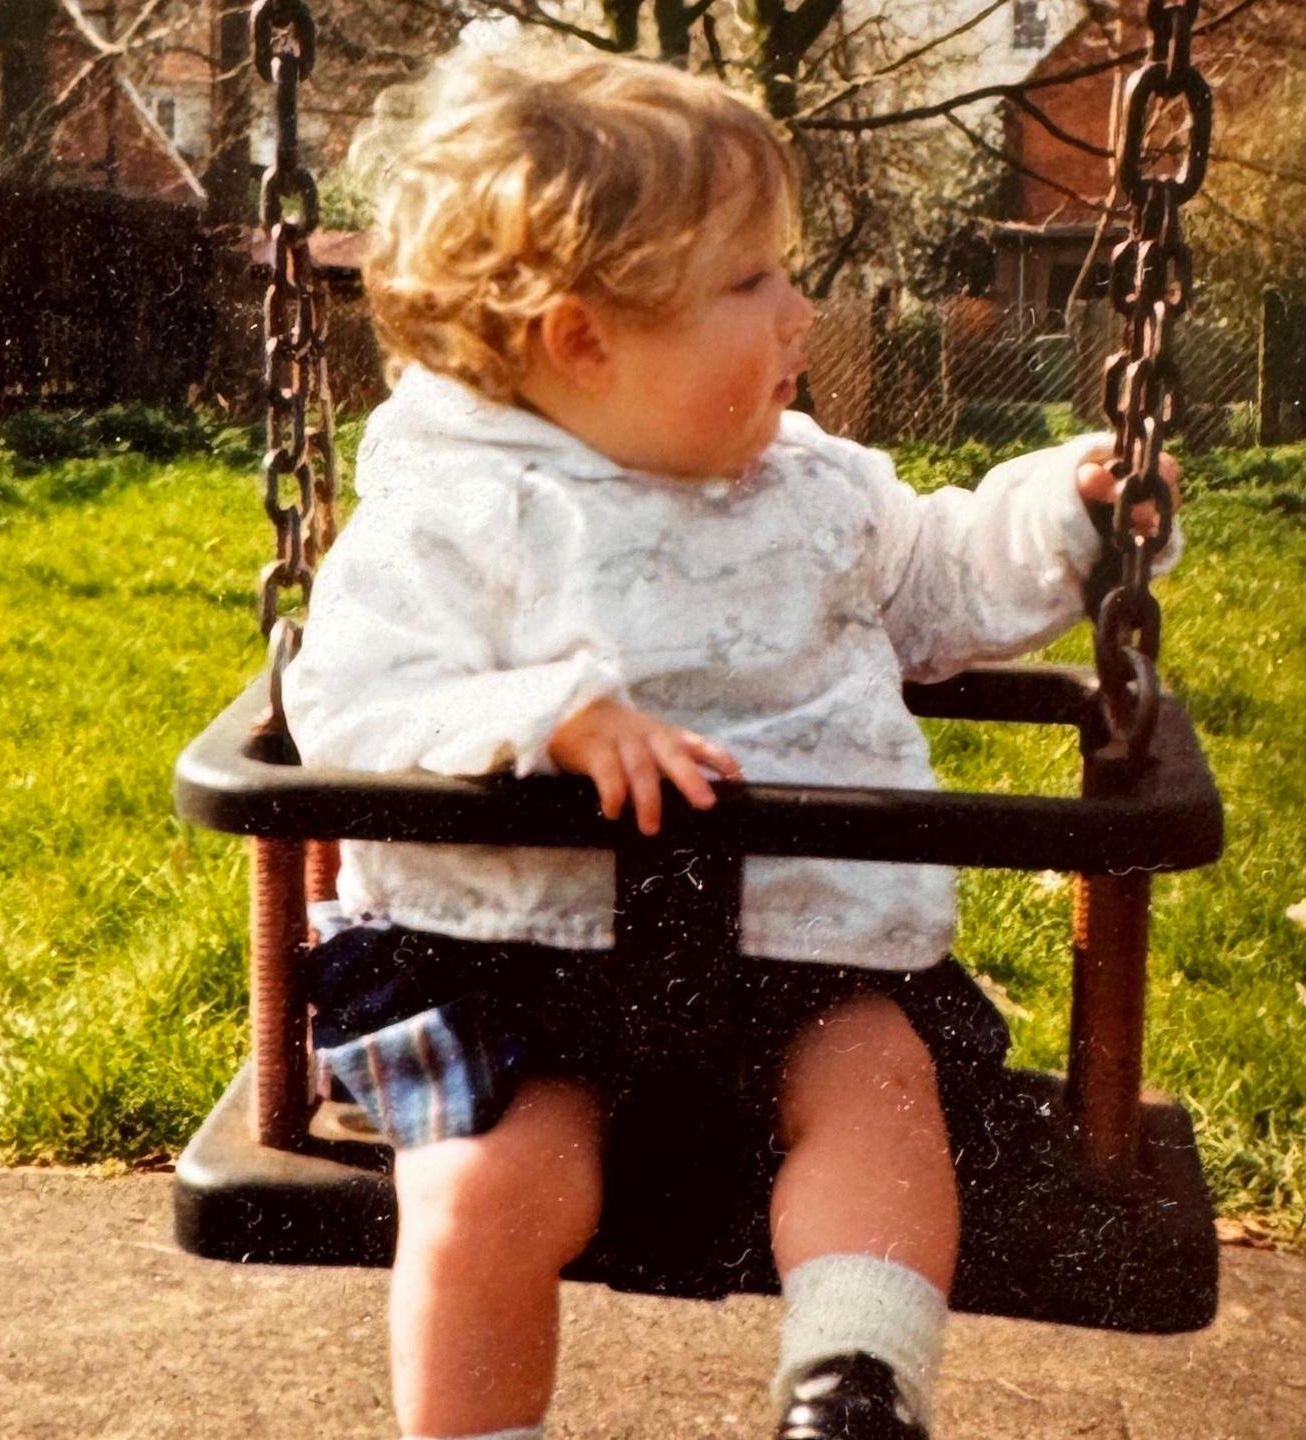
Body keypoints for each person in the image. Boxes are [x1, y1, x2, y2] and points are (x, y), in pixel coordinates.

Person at [280, 38, 1179, 1440]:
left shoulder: (814, 487)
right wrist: (543, 722)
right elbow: (351, 702)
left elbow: (940, 582)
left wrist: (1069, 513)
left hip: (798, 959)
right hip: (519, 967)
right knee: (479, 1193)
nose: (799, 315)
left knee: (884, 1098)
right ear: (583, 339)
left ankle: (852, 1387)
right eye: (751, 282)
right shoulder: (450, 515)